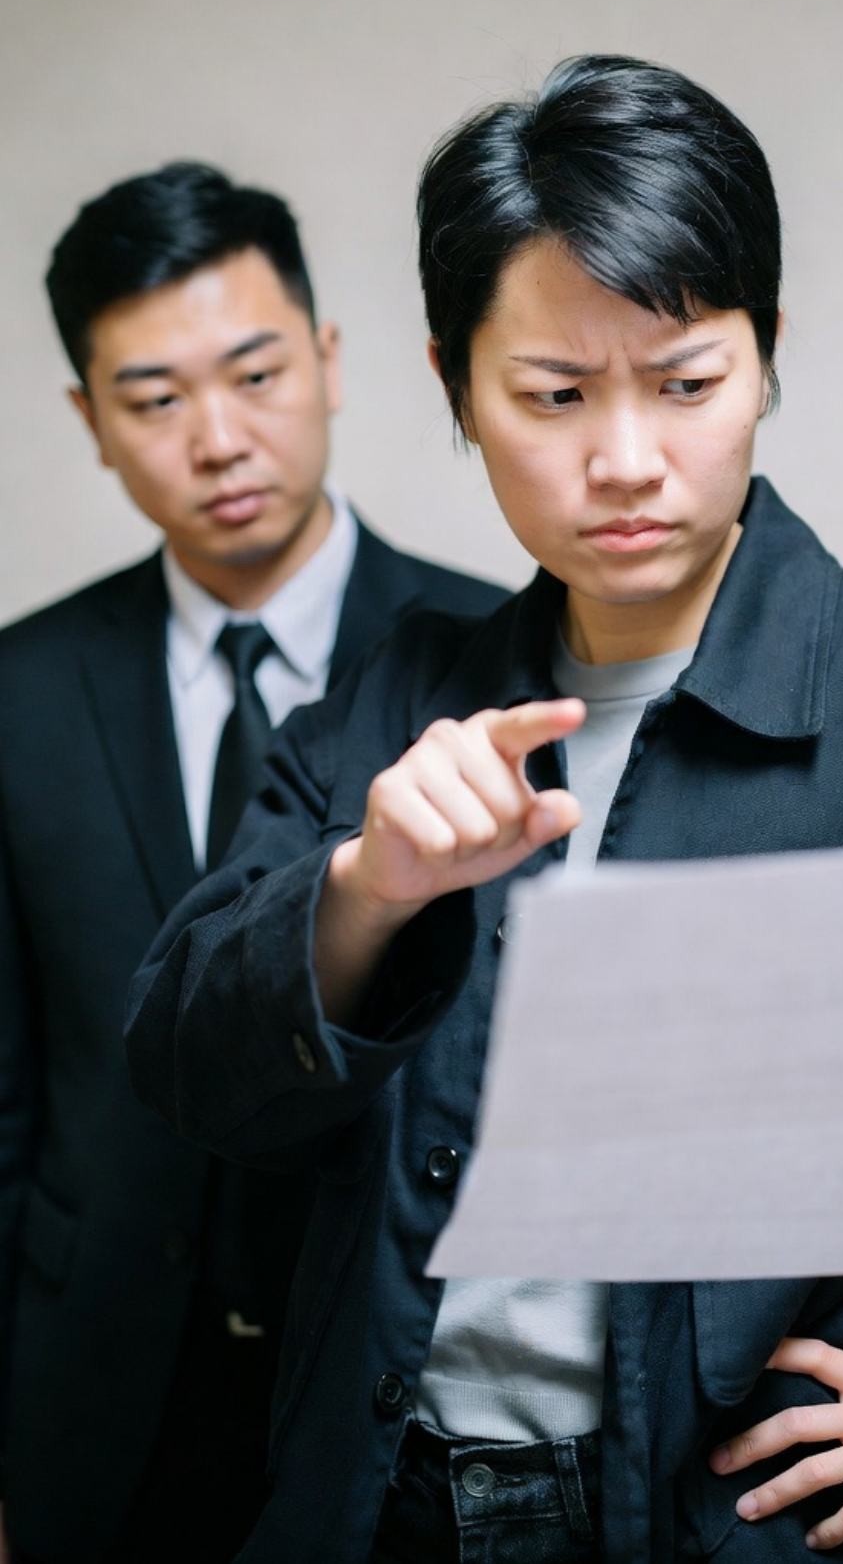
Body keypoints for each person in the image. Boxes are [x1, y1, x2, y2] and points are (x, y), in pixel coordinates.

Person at [126, 59, 843, 1564]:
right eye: (554, 396)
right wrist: (368, 886)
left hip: (754, 1530)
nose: (625, 461)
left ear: (767, 357)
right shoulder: (392, 704)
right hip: (386, 1510)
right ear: (456, 389)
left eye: (687, 382)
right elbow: (181, 1065)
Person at [0, 162, 505, 1564]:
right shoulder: (21, 693)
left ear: (331, 364)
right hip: (94, 1391)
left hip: (386, 1400)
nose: (219, 439)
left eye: (256, 374)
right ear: (90, 423)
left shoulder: (489, 661)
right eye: (155, 400)